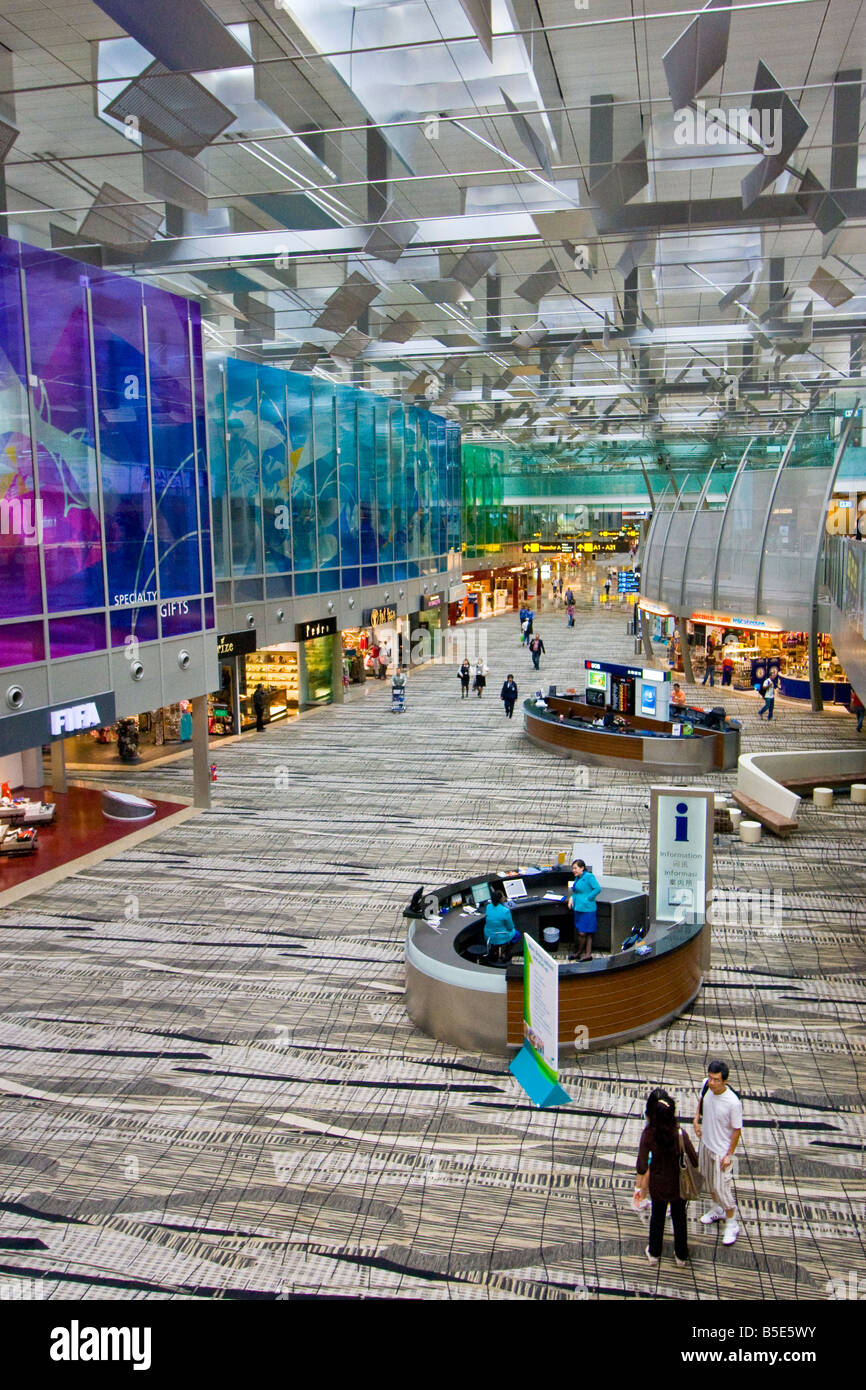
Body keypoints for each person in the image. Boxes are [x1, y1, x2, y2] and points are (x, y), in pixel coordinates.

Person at [635, 1088, 697, 1267]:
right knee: (679, 1218)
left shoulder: (649, 1134)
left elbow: (641, 1165)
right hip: (678, 1184)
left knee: (657, 1217)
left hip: (658, 1185)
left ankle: (654, 1253)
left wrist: (642, 1185)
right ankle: (681, 1256)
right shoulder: (679, 1134)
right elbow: (693, 1158)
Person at [694, 1060, 742, 1246]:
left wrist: (729, 1154)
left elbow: (737, 1130)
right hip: (706, 1144)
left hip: (721, 1151)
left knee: (723, 1187)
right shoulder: (706, 1086)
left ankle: (732, 1222)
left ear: (725, 1081)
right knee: (707, 1181)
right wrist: (696, 1120)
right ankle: (717, 1209)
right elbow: (701, 1102)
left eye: (716, 1080)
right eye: (710, 1078)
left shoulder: (733, 1103)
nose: (712, 1083)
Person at [568, 858, 601, 962]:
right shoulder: (578, 878)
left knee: (585, 932)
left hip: (587, 909)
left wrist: (588, 898)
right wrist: (571, 898)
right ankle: (583, 953)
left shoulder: (589, 877)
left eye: (575, 868)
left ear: (582, 868)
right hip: (579, 908)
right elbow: (575, 891)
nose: (573, 870)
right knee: (582, 932)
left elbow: (597, 889)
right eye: (573, 868)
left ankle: (585, 954)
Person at [482, 888, 519, 962]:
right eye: (503, 896)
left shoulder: (488, 907)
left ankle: (495, 950)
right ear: (500, 899)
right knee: (517, 935)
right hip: (500, 936)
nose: (504, 897)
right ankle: (505, 952)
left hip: (488, 935)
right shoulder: (505, 911)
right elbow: (510, 927)